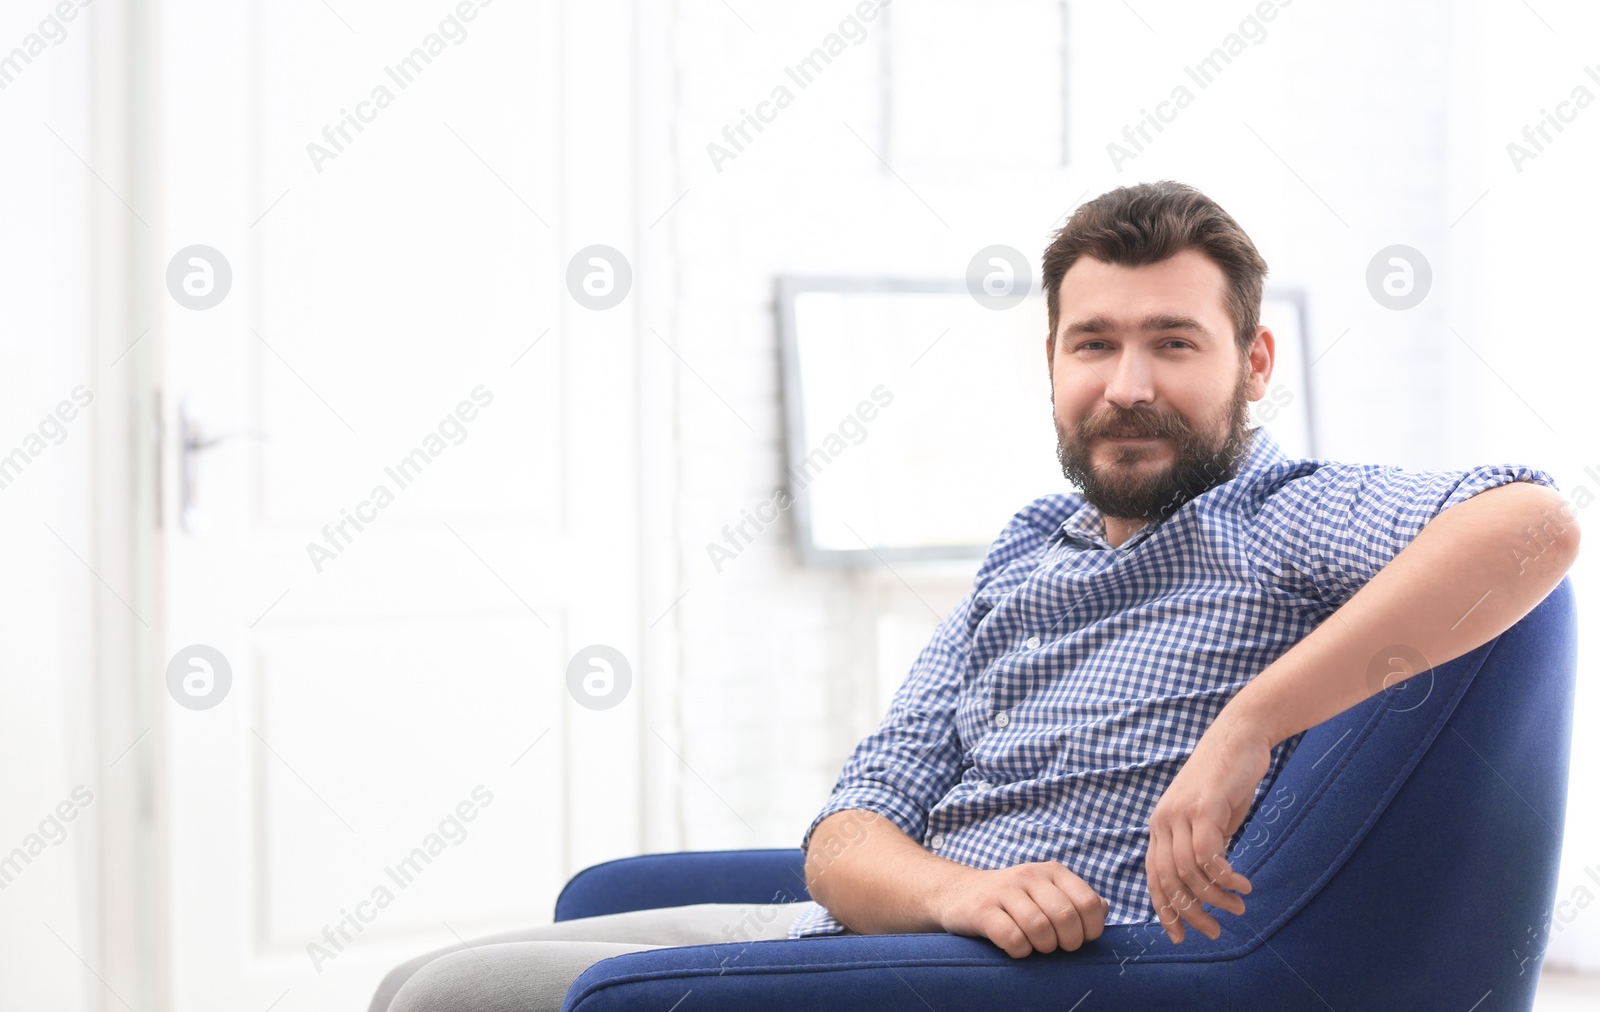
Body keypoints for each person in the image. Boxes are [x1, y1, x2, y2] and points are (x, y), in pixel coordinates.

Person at [370, 180, 1579, 1011]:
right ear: (1050, 360)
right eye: (1092, 343)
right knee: (431, 972)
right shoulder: (1026, 549)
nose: (1126, 384)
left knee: (439, 996)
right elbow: (849, 828)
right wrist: (953, 888)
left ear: (1252, 363)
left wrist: (1247, 722)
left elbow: (1533, 523)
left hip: (1018, 977)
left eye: (1174, 341)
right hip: (877, 931)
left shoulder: (1277, 513)